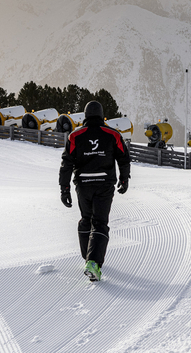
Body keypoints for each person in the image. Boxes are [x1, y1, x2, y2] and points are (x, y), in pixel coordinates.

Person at [59, 100, 131, 281]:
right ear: (101, 115)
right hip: (104, 184)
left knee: (86, 220)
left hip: (83, 185)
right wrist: (124, 179)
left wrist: (64, 188)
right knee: (99, 222)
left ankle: (88, 257)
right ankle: (93, 262)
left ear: (85, 116)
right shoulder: (112, 134)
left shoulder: (75, 136)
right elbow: (124, 158)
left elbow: (66, 163)